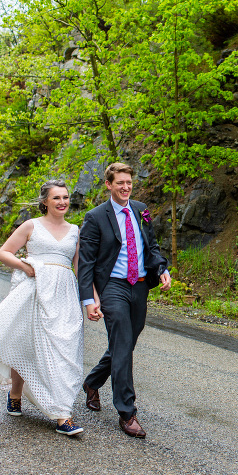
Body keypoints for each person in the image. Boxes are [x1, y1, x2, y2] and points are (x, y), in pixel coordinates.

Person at [0, 180, 85, 436]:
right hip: (35, 292)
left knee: (65, 350)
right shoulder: (31, 225)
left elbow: (79, 268)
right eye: (57, 198)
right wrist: (26, 266)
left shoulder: (75, 230)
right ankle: (47, 409)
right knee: (26, 346)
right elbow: (4, 252)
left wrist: (89, 299)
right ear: (45, 201)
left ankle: (60, 408)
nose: (62, 202)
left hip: (64, 295)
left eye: (66, 197)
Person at [77, 162, 171, 438]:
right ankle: (127, 412)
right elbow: (86, 263)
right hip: (113, 287)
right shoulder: (96, 217)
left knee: (125, 343)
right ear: (109, 185)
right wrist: (89, 300)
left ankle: (93, 382)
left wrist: (162, 268)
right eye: (120, 183)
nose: (126, 187)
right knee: (121, 344)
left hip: (140, 285)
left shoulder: (142, 210)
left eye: (129, 182)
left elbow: (150, 246)